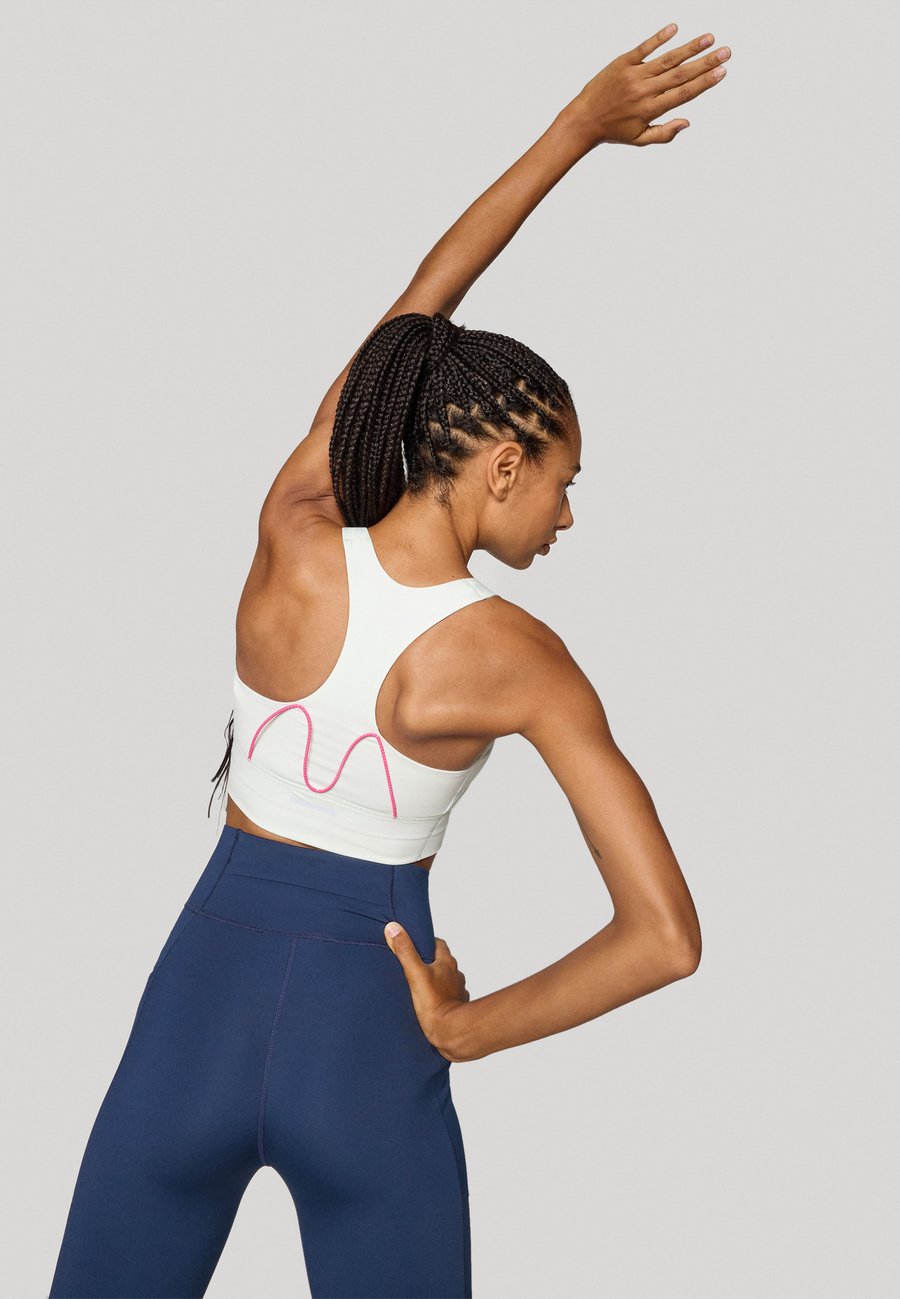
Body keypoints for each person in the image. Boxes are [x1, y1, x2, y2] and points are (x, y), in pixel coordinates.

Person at [49, 20, 726, 1299]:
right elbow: (665, 938)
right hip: (367, 1042)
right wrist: (466, 1029)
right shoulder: (522, 658)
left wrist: (575, 130)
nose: (567, 515)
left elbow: (419, 307)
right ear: (504, 465)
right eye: (565, 481)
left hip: (194, 1009)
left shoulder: (294, 534)